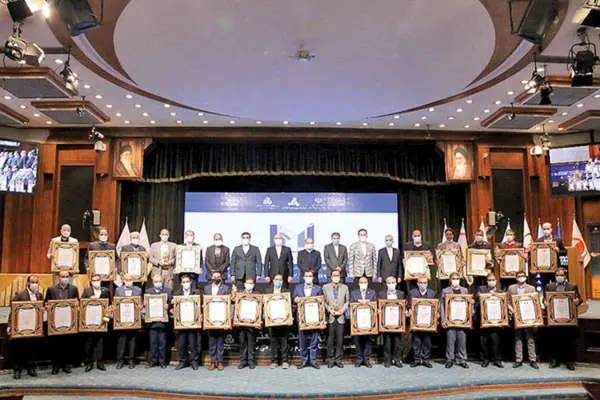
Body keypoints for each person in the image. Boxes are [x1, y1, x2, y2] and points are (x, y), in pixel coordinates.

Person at [545, 268, 582, 370]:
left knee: (568, 340)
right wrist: (545, 302)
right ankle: (554, 361)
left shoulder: (572, 286)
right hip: (554, 318)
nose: (559, 277)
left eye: (561, 275)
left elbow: (580, 299)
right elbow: (545, 299)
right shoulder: (549, 286)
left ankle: (569, 361)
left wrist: (577, 301)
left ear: (565, 276)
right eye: (557, 275)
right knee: (554, 340)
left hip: (568, 318)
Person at [44, 270, 79, 375]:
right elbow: (46, 303)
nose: (65, 278)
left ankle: (66, 365)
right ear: (58, 278)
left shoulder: (74, 289)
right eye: (62, 276)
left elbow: (77, 301)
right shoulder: (51, 289)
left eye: (66, 276)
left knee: (67, 344)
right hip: (55, 322)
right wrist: (47, 307)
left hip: (68, 322)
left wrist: (77, 303)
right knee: (56, 344)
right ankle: (56, 366)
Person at [10, 275, 43, 379]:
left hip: (34, 327)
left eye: (36, 282)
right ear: (28, 283)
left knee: (32, 348)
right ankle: (17, 370)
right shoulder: (20, 295)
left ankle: (31, 368)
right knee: (19, 348)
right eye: (33, 282)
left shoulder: (39, 295)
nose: (35, 284)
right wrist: (9, 325)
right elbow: (13, 311)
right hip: (21, 326)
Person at [293, 270, 323, 369]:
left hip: (314, 319)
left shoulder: (318, 288)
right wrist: (295, 299)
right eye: (307, 276)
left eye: (310, 276)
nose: (308, 278)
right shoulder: (298, 288)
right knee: (302, 341)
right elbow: (293, 299)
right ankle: (304, 361)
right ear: (304, 277)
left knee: (314, 341)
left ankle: (313, 361)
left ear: (313, 278)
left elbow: (321, 303)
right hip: (302, 319)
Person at [508, 271, 539, 369]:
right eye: (519, 276)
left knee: (530, 338)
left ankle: (532, 359)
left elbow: (535, 302)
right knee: (518, 338)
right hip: (516, 317)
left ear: (525, 277)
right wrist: (512, 310)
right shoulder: (511, 288)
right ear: (516, 277)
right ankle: (518, 359)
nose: (521, 277)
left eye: (523, 276)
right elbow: (508, 302)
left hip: (528, 317)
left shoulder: (531, 288)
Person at [440, 272, 470, 369]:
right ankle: (450, 359)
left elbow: (468, 304)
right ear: (450, 280)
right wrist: (443, 320)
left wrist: (470, 316)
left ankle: (462, 359)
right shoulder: (445, 291)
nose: (455, 280)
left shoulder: (465, 290)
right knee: (450, 340)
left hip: (462, 320)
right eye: (453, 278)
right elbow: (442, 306)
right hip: (450, 320)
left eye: (457, 278)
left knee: (462, 340)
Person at [81, 274, 110, 372]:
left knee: (100, 342)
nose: (96, 282)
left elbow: (109, 304)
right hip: (90, 320)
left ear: (100, 281)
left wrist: (108, 314)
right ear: (91, 281)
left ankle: (100, 362)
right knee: (89, 342)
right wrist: (88, 299)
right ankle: (89, 362)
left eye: (97, 280)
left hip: (101, 320)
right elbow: (82, 303)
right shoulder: (87, 291)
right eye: (94, 280)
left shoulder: (105, 290)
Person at [173, 274, 201, 370]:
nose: (185, 283)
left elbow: (200, 305)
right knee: (181, 343)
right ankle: (183, 361)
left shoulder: (196, 292)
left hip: (193, 322)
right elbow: (173, 308)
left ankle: (194, 361)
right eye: (184, 282)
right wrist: (172, 303)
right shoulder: (177, 293)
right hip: (181, 322)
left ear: (191, 282)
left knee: (193, 343)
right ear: (181, 283)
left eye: (187, 282)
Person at [115, 274, 143, 369]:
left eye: (130, 279)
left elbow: (140, 304)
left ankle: (131, 360)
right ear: (123, 280)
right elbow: (115, 303)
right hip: (122, 320)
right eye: (126, 279)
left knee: (132, 340)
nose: (128, 281)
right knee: (121, 340)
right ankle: (120, 360)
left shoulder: (138, 290)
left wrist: (140, 306)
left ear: (133, 280)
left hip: (133, 320)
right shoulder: (118, 290)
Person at [323, 269, 349, 369]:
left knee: (340, 340)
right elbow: (324, 302)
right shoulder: (325, 287)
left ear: (340, 277)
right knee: (330, 340)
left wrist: (342, 310)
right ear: (331, 277)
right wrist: (330, 310)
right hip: (330, 317)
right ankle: (330, 360)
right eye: (334, 275)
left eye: (337, 275)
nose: (336, 277)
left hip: (341, 317)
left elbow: (347, 301)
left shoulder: (345, 287)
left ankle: (338, 360)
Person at [204, 271, 230, 371]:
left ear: (221, 278)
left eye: (218, 276)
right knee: (211, 341)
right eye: (214, 276)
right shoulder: (206, 288)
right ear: (211, 277)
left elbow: (228, 304)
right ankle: (212, 361)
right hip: (210, 318)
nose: (216, 278)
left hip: (221, 318)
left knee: (220, 341)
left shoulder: (226, 288)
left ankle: (220, 362)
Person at [145, 274, 172, 368]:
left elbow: (172, 303)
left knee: (162, 343)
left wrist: (169, 305)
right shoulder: (148, 292)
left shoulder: (167, 291)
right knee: (153, 343)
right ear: (153, 282)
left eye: (160, 281)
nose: (158, 283)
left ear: (162, 282)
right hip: (152, 323)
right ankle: (153, 361)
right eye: (156, 282)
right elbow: (145, 306)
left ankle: (162, 361)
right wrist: (145, 305)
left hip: (163, 322)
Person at [350, 276, 377, 368]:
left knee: (369, 340)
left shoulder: (372, 293)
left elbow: (375, 305)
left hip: (369, 322)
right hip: (357, 322)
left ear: (367, 283)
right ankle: (359, 359)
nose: (363, 284)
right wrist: (358, 301)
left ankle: (366, 359)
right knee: (357, 340)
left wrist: (368, 302)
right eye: (361, 282)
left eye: (365, 282)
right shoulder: (354, 293)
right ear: (358, 284)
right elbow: (351, 305)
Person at [378, 276, 405, 368]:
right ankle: (387, 360)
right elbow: (379, 306)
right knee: (387, 342)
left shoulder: (401, 293)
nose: (391, 284)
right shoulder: (381, 294)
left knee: (397, 342)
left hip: (397, 322)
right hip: (386, 322)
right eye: (389, 283)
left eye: (393, 282)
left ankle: (397, 359)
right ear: (386, 284)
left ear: (396, 283)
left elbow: (403, 306)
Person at [264, 273, 290, 369]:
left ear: (282, 281)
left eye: (280, 280)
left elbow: (289, 305)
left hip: (283, 319)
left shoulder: (286, 291)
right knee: (273, 340)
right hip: (272, 320)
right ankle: (274, 361)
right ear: (273, 280)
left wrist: (289, 317)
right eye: (276, 279)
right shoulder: (267, 291)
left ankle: (285, 361)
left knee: (284, 340)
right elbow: (265, 305)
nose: (278, 281)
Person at [478, 273, 504, 368]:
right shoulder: (482, 289)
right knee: (484, 341)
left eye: (493, 280)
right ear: (486, 281)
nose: (491, 281)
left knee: (495, 340)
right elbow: (477, 300)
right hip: (484, 319)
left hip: (495, 320)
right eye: (489, 280)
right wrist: (486, 295)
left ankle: (497, 359)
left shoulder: (500, 291)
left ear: (496, 281)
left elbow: (503, 304)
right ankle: (485, 359)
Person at [409, 275, 435, 368]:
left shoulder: (432, 293)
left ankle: (426, 360)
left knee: (427, 342)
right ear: (417, 283)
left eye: (425, 283)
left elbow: (435, 306)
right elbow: (409, 305)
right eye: (421, 283)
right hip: (416, 322)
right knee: (416, 341)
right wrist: (409, 310)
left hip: (428, 322)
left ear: (427, 284)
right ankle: (416, 360)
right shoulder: (412, 293)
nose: (423, 284)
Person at [236, 277, 261, 369]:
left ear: (253, 285)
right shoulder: (239, 294)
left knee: (251, 342)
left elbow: (260, 308)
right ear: (244, 284)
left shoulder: (257, 294)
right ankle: (243, 361)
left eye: (251, 283)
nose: (249, 285)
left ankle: (251, 360)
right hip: (241, 322)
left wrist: (258, 321)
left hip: (252, 322)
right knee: (242, 342)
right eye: (247, 283)